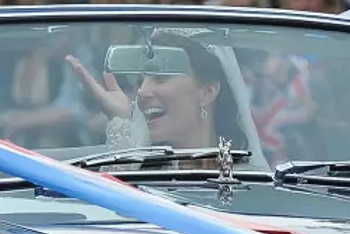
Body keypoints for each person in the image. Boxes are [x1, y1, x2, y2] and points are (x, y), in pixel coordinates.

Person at [67, 30, 246, 153]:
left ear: (208, 91)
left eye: (161, 78)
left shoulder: (247, 180)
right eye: (141, 80)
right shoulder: (138, 168)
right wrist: (120, 119)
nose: (142, 92)